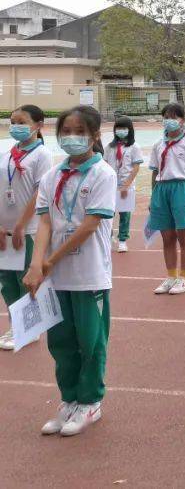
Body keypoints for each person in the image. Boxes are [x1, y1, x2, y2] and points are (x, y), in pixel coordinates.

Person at [24, 106, 116, 436]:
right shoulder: (52, 176)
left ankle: (90, 402)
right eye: (66, 131)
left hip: (89, 273)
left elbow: (90, 225)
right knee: (60, 342)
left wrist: (51, 260)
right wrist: (37, 264)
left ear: (94, 136)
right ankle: (69, 400)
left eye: (79, 131)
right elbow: (45, 220)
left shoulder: (103, 173)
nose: (71, 137)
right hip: (57, 277)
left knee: (90, 341)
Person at [0, 104, 52, 351]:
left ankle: (30, 329)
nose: (15, 127)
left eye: (21, 122)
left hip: (27, 229)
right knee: (7, 282)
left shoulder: (42, 155)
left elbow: (39, 192)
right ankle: (15, 325)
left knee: (26, 280)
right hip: (5, 231)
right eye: (12, 122)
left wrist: (21, 225)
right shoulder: (7, 154)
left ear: (38, 125)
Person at [147, 103, 185, 296]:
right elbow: (155, 172)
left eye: (174, 117)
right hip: (162, 189)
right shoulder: (158, 144)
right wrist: (153, 196)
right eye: (166, 116)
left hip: (181, 187)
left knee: (184, 237)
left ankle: (184, 277)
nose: (169, 120)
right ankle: (171, 276)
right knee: (167, 237)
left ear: (182, 120)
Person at [104, 115, 141, 254]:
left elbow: (136, 167)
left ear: (129, 130)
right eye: (118, 128)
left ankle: (122, 240)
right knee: (108, 214)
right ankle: (108, 238)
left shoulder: (134, 147)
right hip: (111, 186)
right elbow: (105, 165)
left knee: (125, 215)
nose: (121, 131)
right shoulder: (109, 147)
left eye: (124, 128)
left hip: (127, 186)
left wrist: (126, 185)